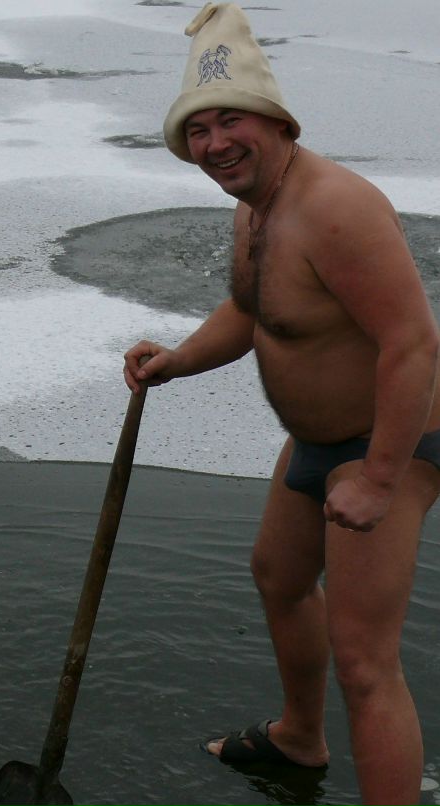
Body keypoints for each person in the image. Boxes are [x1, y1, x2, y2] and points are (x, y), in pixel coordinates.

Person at [124, 4, 440, 804]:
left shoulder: (337, 207)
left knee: (367, 661)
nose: (216, 143)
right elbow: (256, 309)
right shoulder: (254, 204)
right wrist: (178, 361)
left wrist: (375, 477)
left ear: (275, 122)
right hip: (315, 439)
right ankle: (301, 738)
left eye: (232, 122)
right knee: (280, 577)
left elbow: (414, 344)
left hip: (386, 442)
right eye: (199, 130)